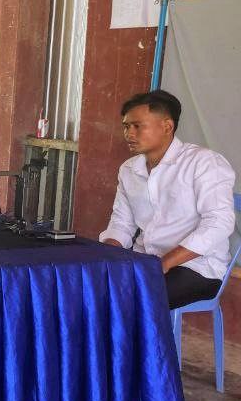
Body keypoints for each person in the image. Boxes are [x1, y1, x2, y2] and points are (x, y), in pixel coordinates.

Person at [100, 90, 236, 309]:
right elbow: (122, 222)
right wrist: (106, 254)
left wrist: (164, 263)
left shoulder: (204, 163)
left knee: (132, 299)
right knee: (90, 287)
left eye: (137, 126)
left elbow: (219, 223)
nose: (129, 133)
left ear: (167, 126)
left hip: (197, 267)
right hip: (146, 261)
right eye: (126, 126)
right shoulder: (129, 169)